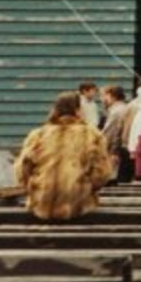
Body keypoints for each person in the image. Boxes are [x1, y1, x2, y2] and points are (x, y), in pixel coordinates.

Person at [14, 92, 113, 221]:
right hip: (79, 204)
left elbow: (22, 169)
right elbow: (102, 173)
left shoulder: (38, 134)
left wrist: (33, 187)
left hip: (42, 202)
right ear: (78, 110)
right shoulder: (91, 135)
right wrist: (86, 187)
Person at [100, 85, 133, 183]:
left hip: (114, 154)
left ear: (112, 96)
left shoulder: (116, 112)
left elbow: (111, 134)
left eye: (103, 96)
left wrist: (113, 152)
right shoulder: (123, 108)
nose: (101, 99)